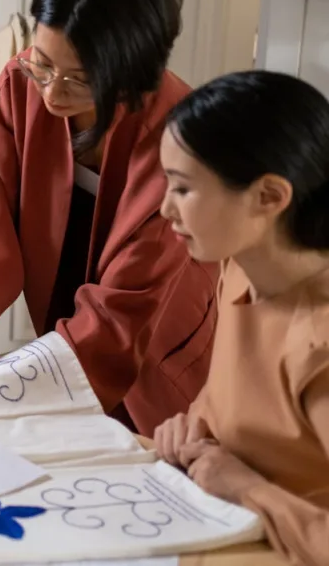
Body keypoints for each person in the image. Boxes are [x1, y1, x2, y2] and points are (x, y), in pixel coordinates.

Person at [0, 0, 218, 437]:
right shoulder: (20, 83)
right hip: (68, 308)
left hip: (157, 329)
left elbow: (124, 305)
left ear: (133, 72)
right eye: (43, 65)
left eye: (80, 79)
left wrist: (6, 385)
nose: (50, 93)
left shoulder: (179, 133)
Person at [153, 71, 329, 565]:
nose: (165, 209)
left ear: (269, 196)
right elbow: (230, 398)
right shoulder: (238, 269)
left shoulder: (319, 342)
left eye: (183, 189)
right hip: (219, 524)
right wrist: (193, 426)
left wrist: (248, 488)